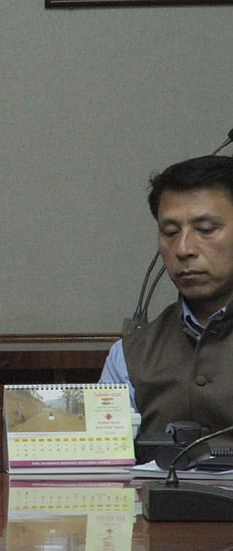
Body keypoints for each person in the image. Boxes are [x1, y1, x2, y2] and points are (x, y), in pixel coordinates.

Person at [100, 155, 233, 440]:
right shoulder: (128, 357)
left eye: (206, 230)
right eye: (170, 232)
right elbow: (106, 467)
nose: (183, 248)